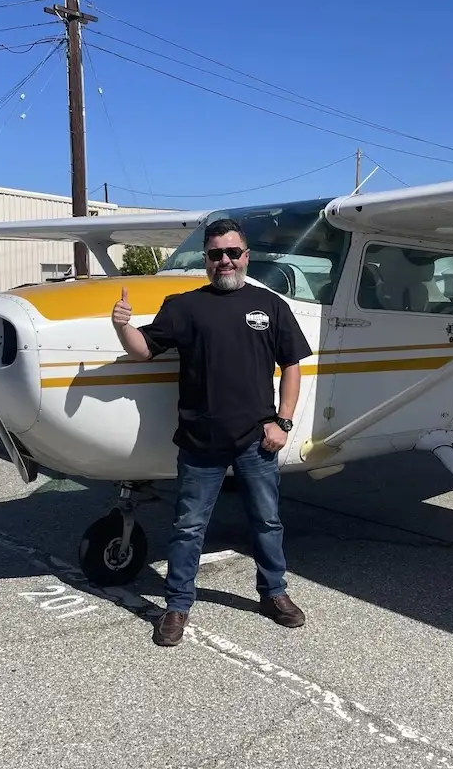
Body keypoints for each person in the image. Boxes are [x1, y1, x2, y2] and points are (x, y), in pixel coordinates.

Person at [111, 218, 313, 647]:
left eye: (232, 253)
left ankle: (274, 594)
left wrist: (284, 421)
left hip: (256, 440)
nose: (225, 261)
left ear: (246, 256)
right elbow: (144, 350)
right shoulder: (183, 306)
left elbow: (292, 364)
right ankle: (178, 605)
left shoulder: (271, 304)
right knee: (188, 527)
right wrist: (122, 326)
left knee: (267, 521)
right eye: (216, 254)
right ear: (205, 259)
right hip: (200, 441)